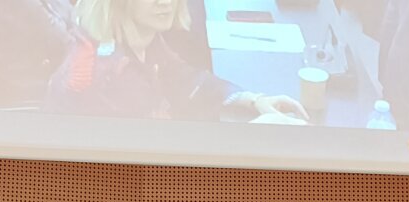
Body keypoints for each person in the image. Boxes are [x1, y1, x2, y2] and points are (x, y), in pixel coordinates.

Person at [46, 0, 307, 121]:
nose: (165, 3)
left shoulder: (141, 37)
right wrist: (257, 135)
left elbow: (183, 76)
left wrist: (253, 99)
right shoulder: (111, 71)